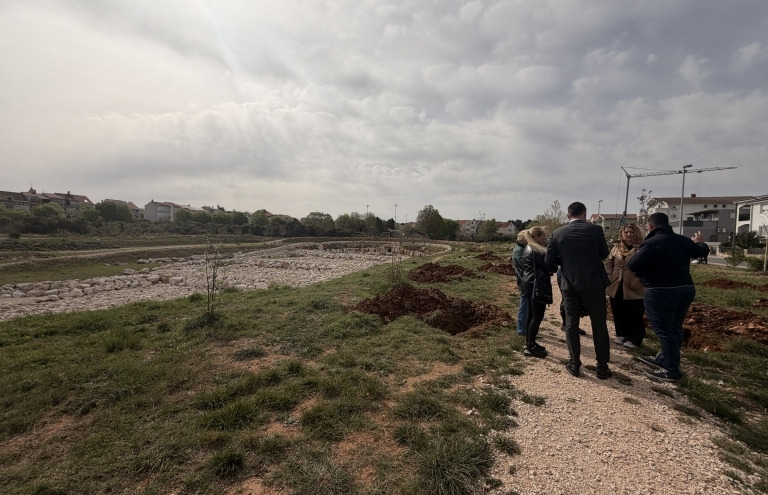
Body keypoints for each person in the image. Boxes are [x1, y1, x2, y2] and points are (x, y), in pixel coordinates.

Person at [627, 212, 710, 382]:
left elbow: (634, 264)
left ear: (650, 225)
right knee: (674, 327)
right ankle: (664, 358)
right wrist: (700, 241)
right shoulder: (682, 240)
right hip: (685, 289)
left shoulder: (651, 243)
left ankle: (671, 369)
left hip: (660, 290)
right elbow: (702, 250)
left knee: (664, 330)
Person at [545, 201, 612, 379]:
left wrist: (566, 262)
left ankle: (574, 364)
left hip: (570, 284)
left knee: (571, 324)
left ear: (568, 216)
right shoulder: (596, 231)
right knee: (599, 325)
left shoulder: (557, 233)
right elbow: (604, 254)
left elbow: (550, 261)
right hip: (594, 283)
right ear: (584, 214)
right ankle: (602, 367)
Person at [605, 223, 646, 349]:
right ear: (622, 233)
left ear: (636, 233)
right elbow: (609, 262)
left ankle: (635, 338)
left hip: (634, 284)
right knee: (618, 310)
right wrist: (610, 275)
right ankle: (622, 334)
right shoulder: (617, 247)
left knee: (634, 312)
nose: (628, 234)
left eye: (631, 232)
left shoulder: (642, 248)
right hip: (617, 283)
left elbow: (646, 265)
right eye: (626, 232)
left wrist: (639, 279)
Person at [521, 226, 552, 358]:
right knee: (537, 316)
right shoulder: (537, 251)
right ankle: (530, 346)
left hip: (528, 283)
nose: (545, 239)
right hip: (536, 285)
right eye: (543, 236)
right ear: (536, 237)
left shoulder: (528, 248)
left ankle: (530, 342)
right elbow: (550, 267)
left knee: (531, 314)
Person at [511, 230, 529, 336]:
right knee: (524, 304)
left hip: (524, 279)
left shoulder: (522, 248)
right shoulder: (519, 251)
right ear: (523, 239)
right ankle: (521, 329)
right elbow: (525, 266)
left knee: (526, 304)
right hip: (523, 280)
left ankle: (525, 327)